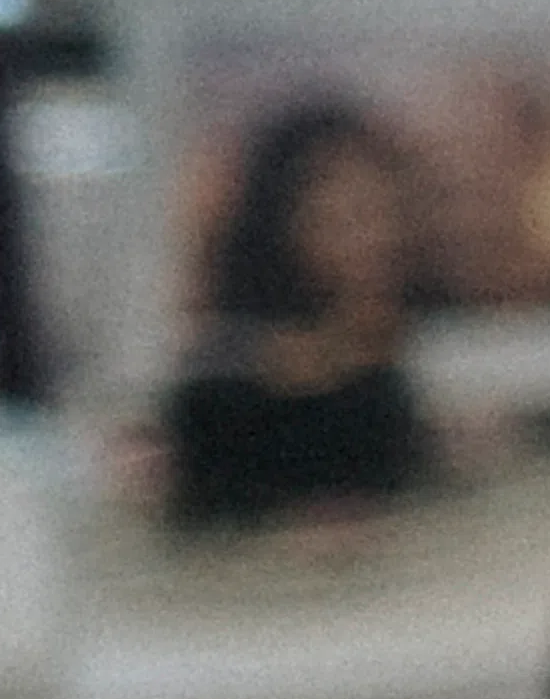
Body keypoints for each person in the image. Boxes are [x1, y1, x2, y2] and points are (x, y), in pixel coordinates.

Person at [167, 93, 440, 520]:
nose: (377, 239)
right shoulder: (225, 382)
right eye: (346, 219)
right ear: (283, 225)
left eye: (386, 212)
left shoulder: (421, 347)